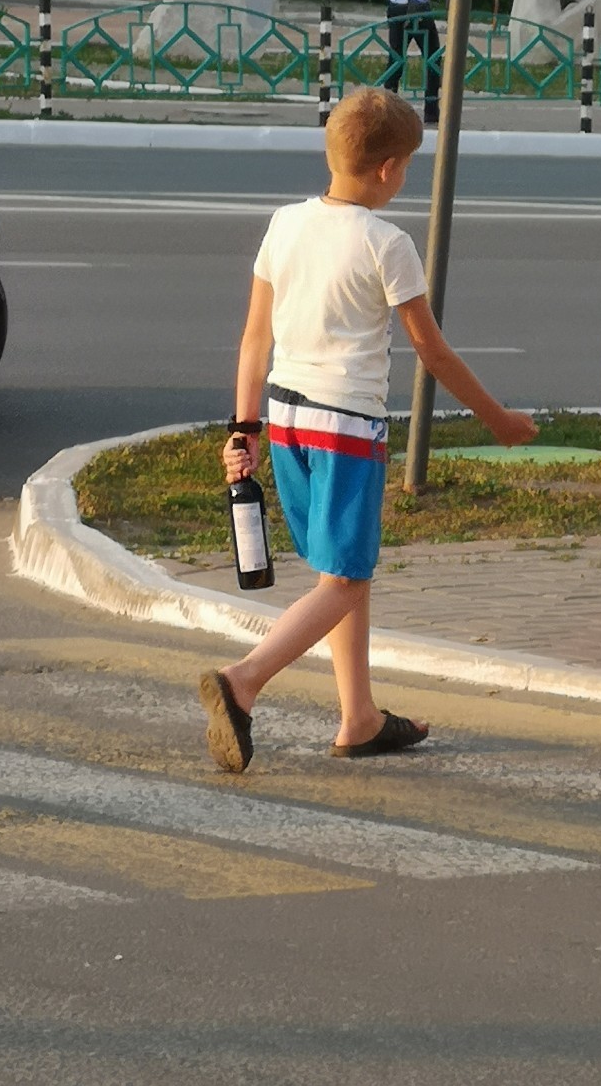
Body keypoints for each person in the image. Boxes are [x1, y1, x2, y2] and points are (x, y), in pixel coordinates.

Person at [199, 87, 537, 772]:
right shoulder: (388, 243)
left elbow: (253, 340)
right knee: (346, 580)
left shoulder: (285, 223)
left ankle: (359, 718)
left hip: (288, 417)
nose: (404, 178)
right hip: (346, 427)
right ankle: (244, 682)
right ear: (387, 170)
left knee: (341, 569)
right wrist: (496, 420)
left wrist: (244, 427)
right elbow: (433, 352)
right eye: (406, 166)